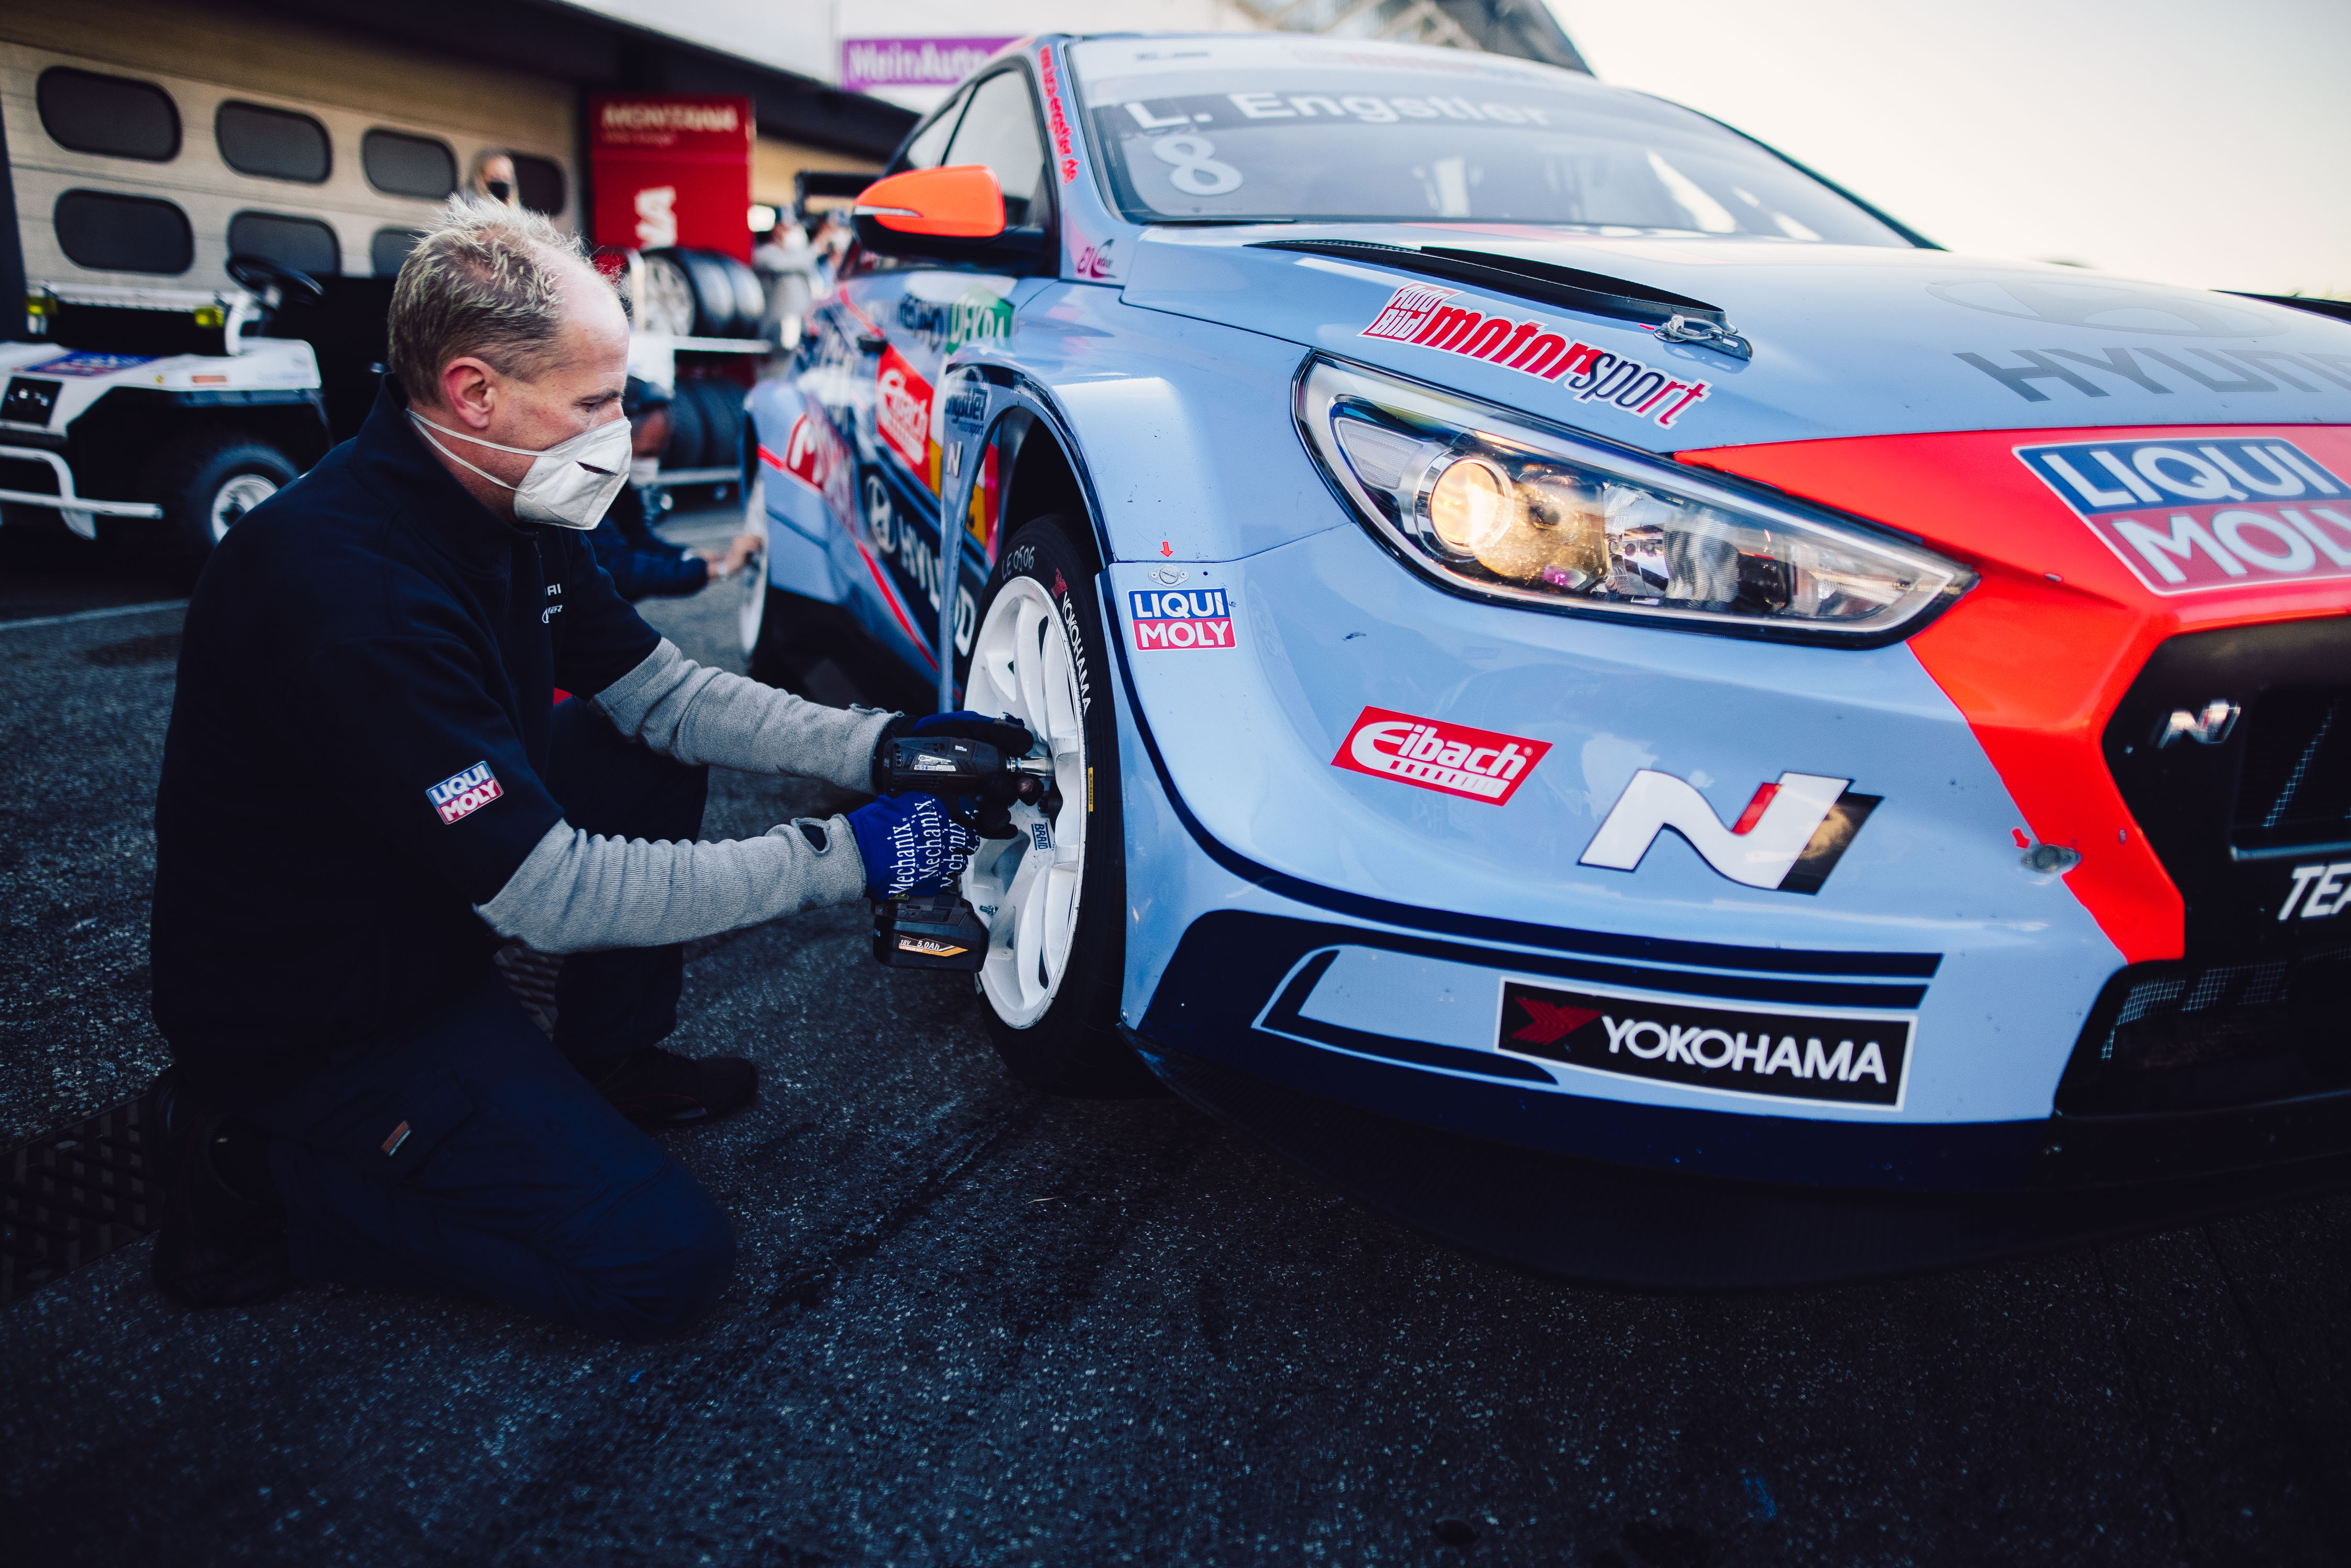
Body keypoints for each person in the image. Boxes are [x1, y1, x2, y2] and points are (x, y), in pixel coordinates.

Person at [148, 197, 1016, 1342]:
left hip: (422, 900)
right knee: (662, 1259)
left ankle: (605, 1064)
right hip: (322, 1013)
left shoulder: (510, 498)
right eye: (596, 401)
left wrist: (878, 744)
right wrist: (846, 852)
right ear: (474, 391)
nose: (621, 427)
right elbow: (555, 894)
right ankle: (250, 1174)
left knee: (636, 745)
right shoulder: (352, 593)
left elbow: (666, 695)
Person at [586, 377, 760, 601]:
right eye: (646, 453)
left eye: (659, 453)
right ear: (613, 440)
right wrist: (720, 570)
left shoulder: (620, 483)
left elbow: (639, 541)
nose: (652, 464)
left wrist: (690, 557)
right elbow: (617, 569)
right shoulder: (585, 486)